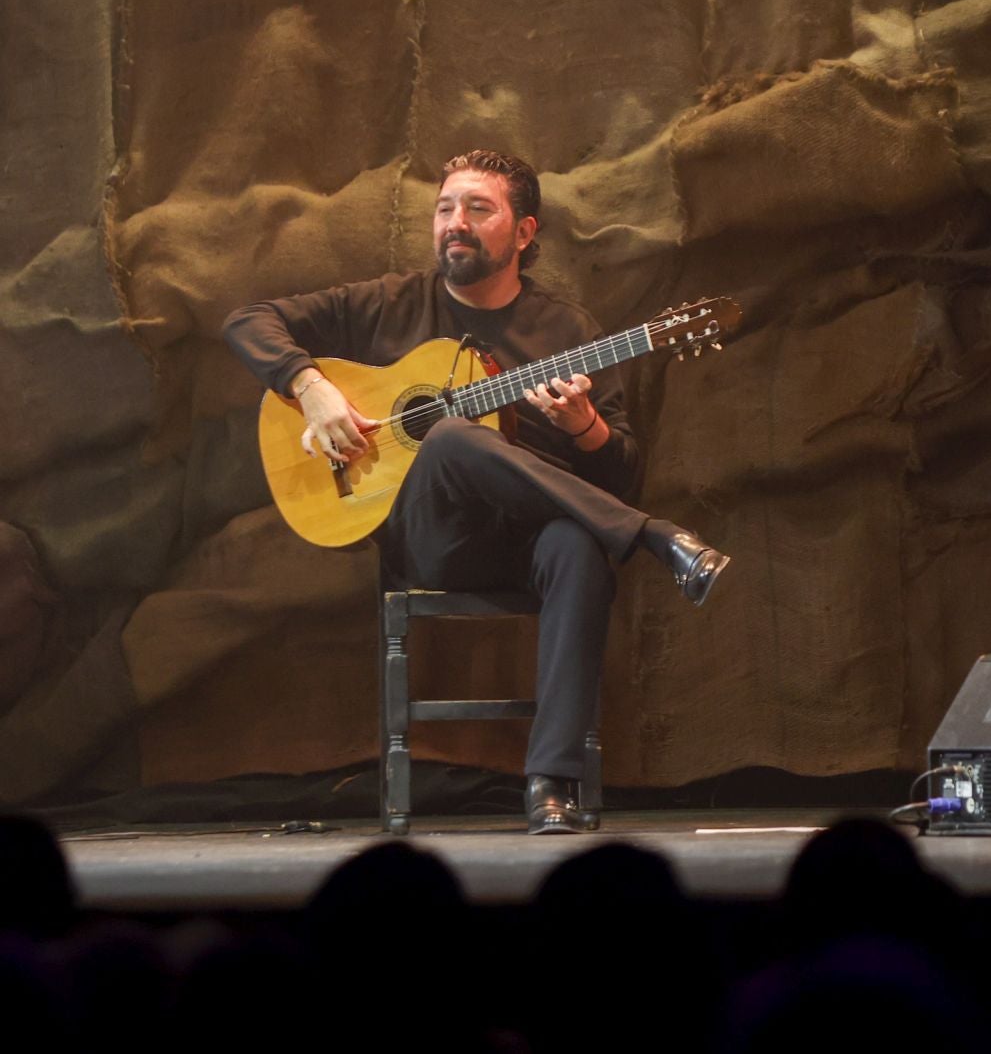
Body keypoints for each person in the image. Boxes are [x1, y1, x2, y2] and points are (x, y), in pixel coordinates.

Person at [223, 149, 729, 834]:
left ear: (524, 232)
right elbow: (246, 321)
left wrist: (585, 429)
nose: (454, 223)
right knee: (454, 437)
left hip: (529, 544)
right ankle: (655, 537)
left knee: (580, 547)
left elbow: (622, 473)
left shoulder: (567, 332)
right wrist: (310, 389)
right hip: (434, 539)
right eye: (445, 208)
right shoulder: (389, 303)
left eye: (478, 208)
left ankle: (550, 784)